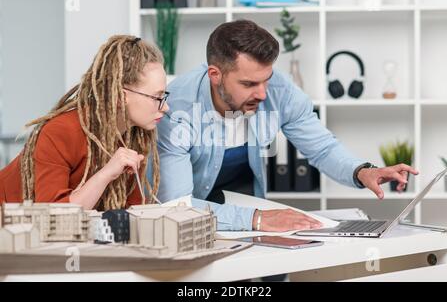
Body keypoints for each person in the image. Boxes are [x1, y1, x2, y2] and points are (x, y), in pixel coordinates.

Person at [0, 34, 319, 232]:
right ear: (122, 95)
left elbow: (133, 215)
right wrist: (107, 173)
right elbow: (53, 219)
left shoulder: (136, 137)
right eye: (157, 97)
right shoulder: (60, 132)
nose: (165, 108)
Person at [152, 20, 419, 231]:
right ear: (215, 75)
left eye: (266, 79)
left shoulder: (279, 90)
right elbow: (178, 207)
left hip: (248, 205)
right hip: (194, 218)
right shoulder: (176, 109)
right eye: (248, 84)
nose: (263, 94)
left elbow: (322, 148)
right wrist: (257, 219)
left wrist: (362, 171)